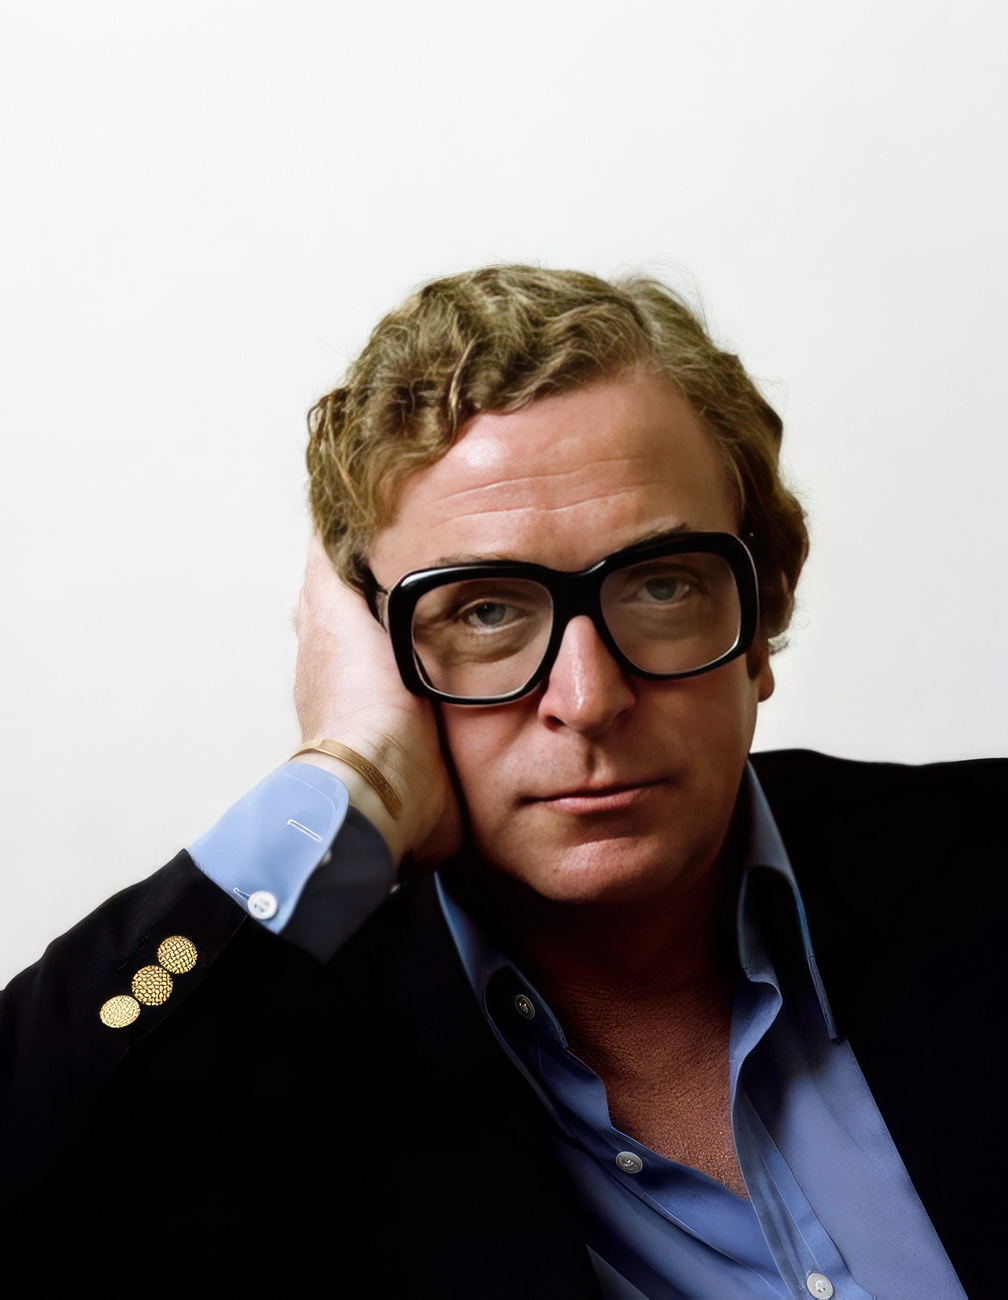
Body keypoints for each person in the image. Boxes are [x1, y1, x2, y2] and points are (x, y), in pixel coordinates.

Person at [0, 266, 1001, 1297]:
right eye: (484, 610)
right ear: (377, 657)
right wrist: (349, 779)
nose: (589, 697)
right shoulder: (269, 1072)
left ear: (757, 623)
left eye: (660, 586)